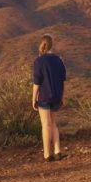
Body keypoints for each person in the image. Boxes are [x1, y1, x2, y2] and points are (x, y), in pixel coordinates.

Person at [32, 34, 66, 162]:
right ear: (52, 45)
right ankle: (57, 151)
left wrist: (33, 98)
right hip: (57, 95)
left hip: (44, 96)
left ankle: (47, 154)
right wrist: (62, 96)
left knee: (45, 125)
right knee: (53, 123)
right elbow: (63, 80)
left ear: (41, 45)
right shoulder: (59, 60)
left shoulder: (39, 61)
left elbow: (37, 82)